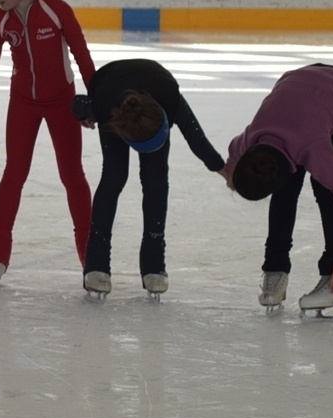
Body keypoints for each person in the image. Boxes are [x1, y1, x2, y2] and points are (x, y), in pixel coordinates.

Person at [0, 0, 96, 285]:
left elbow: (82, 55)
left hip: (62, 103)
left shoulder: (57, 10)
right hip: (23, 104)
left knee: (72, 175)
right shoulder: (1, 21)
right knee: (14, 173)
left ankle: (90, 252)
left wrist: (94, 101)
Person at [73, 57, 224, 298]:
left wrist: (223, 169)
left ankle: (154, 263)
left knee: (156, 182)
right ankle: (97, 264)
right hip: (109, 88)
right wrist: (84, 113)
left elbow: (196, 138)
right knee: (114, 176)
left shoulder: (170, 98)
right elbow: (80, 105)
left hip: (154, 85)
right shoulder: (105, 108)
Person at [224, 63, 333, 315]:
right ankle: (275, 268)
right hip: (297, 81)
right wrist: (233, 173)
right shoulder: (248, 140)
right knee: (286, 190)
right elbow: (233, 156)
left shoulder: (315, 148)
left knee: (324, 188)